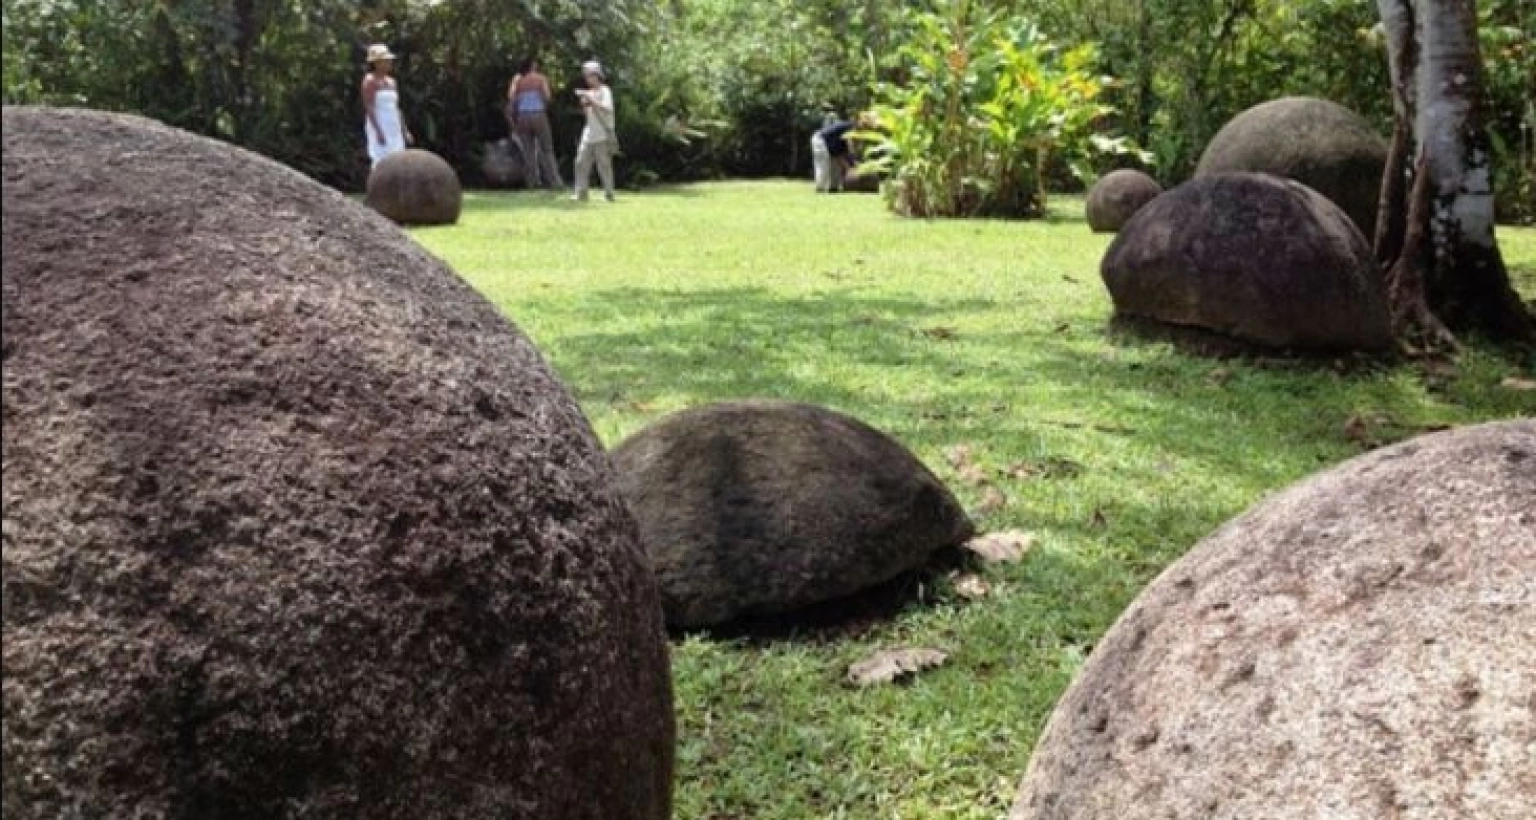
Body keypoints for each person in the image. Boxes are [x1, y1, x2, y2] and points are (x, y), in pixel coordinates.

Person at [506, 57, 563, 189]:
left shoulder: (518, 80)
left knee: (528, 151)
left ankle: (532, 183)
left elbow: (511, 97)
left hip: (522, 117)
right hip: (538, 114)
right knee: (547, 149)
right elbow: (547, 96)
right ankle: (555, 182)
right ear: (533, 65)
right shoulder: (540, 78)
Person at [571, 60, 617, 202]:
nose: (588, 79)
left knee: (604, 165)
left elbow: (607, 108)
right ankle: (581, 192)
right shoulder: (588, 93)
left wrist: (591, 99)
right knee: (580, 162)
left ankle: (609, 193)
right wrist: (585, 102)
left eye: (590, 75)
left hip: (602, 134)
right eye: (586, 76)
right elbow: (587, 115)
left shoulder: (605, 90)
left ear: (597, 76)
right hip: (589, 133)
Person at [361, 44, 412, 168]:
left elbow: (396, 107)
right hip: (379, 123)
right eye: (385, 61)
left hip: (393, 125)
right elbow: (369, 106)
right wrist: (378, 131)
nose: (389, 63)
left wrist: (405, 130)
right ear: (376, 63)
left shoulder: (392, 82)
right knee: (381, 158)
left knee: (398, 158)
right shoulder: (370, 80)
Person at [811, 116, 857, 193]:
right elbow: (848, 148)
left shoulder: (850, 129)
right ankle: (820, 188)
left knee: (836, 167)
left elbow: (847, 152)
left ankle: (834, 187)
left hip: (832, 144)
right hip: (820, 140)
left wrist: (851, 163)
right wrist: (850, 167)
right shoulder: (850, 127)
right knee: (823, 165)